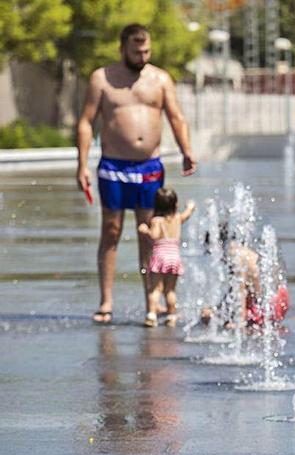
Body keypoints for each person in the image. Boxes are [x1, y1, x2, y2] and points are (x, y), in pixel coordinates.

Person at [76, 23, 197, 324]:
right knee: (111, 231)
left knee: (151, 234)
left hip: (149, 167)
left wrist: (186, 150)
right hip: (114, 167)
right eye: (136, 51)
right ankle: (106, 302)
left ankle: (151, 304)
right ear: (122, 49)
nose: (142, 56)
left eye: (147, 51)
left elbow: (176, 118)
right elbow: (86, 122)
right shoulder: (102, 79)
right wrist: (81, 164)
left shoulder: (160, 79)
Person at [137, 188, 195, 327]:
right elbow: (186, 215)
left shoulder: (157, 220)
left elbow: (155, 236)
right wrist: (190, 207)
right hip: (174, 257)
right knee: (170, 290)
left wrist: (145, 230)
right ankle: (171, 316)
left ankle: (151, 315)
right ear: (175, 204)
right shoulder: (177, 218)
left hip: (160, 257)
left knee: (155, 288)